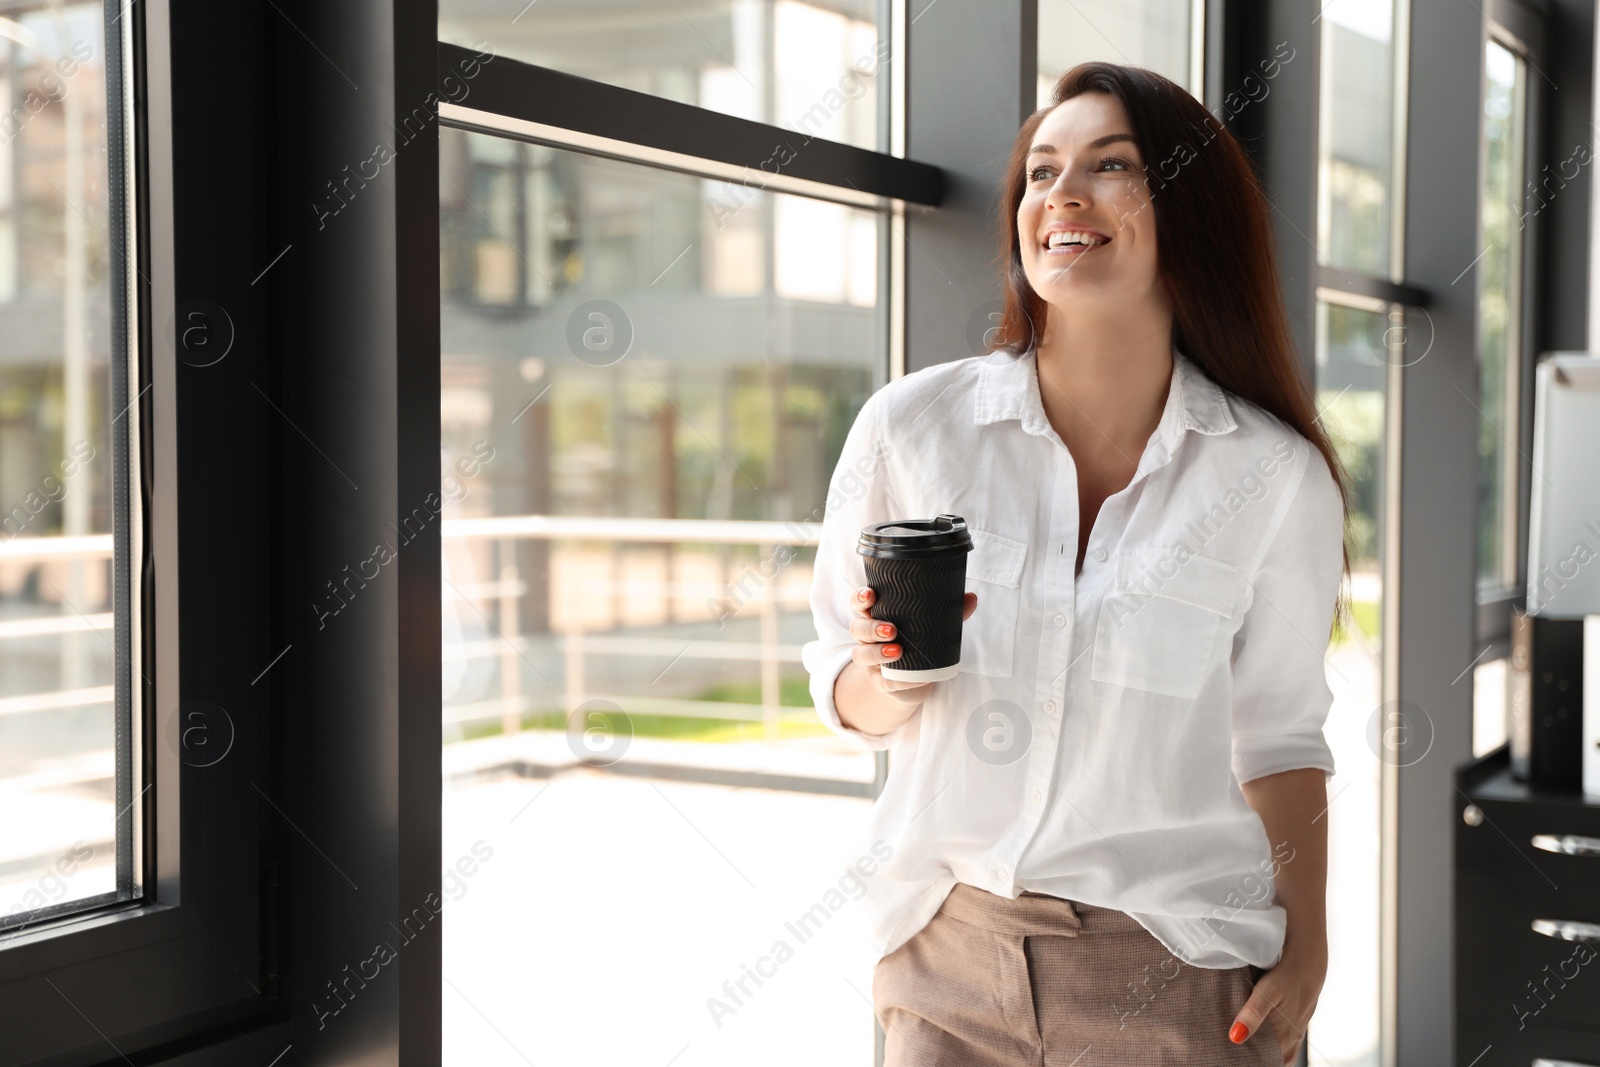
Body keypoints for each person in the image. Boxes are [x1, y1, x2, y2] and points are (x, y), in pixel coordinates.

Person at [800, 60, 1350, 1067]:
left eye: (1110, 166)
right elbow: (836, 674)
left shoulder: (1272, 477)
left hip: (1178, 974)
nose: (1062, 194)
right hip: (946, 964)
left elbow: (1278, 736)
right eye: (1041, 172)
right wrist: (884, 677)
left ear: (1188, 210)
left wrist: (1308, 946)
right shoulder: (911, 428)